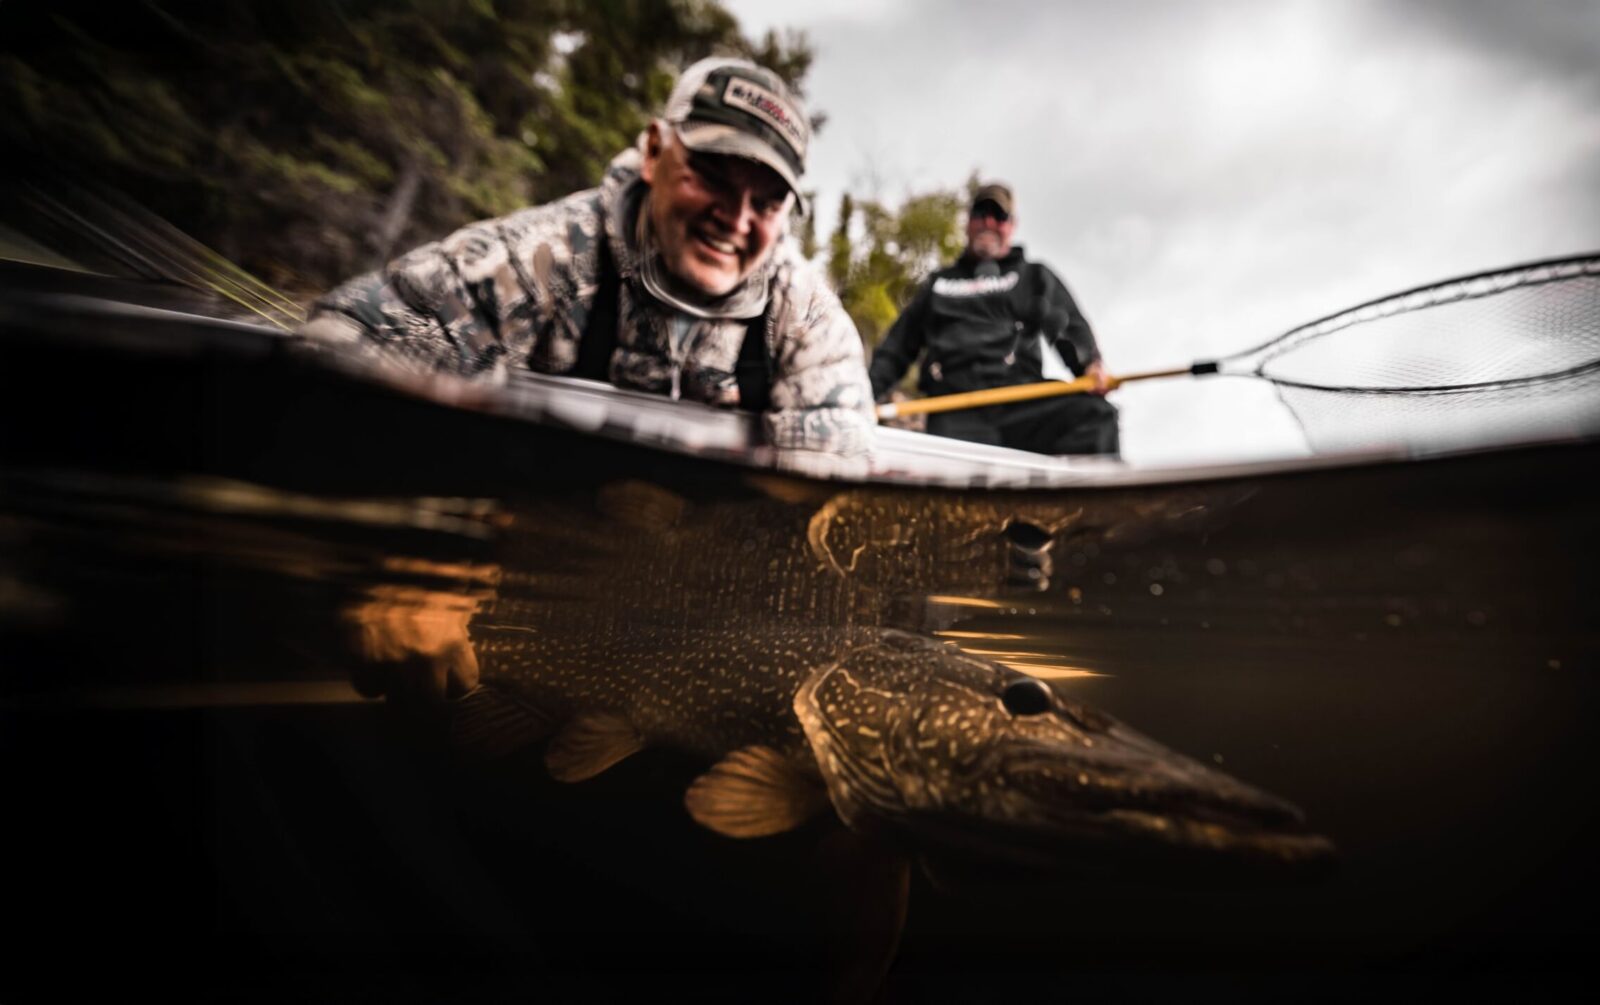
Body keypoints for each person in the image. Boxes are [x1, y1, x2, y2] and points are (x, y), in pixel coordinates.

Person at [299, 57, 874, 474]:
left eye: (767, 201)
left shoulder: (806, 322)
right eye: (713, 177)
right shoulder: (543, 258)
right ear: (653, 152)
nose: (736, 218)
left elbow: (830, 499)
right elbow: (339, 343)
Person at [868, 183, 1119, 456]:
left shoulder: (1034, 277)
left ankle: (1092, 495)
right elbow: (895, 350)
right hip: (955, 408)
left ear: (1012, 225)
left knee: (1095, 415)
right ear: (968, 222)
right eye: (980, 213)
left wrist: (1090, 365)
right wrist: (863, 396)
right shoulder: (938, 285)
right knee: (943, 460)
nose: (988, 222)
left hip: (1021, 400)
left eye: (998, 216)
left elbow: (1070, 327)